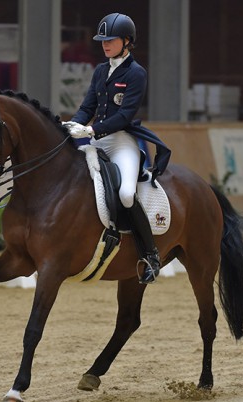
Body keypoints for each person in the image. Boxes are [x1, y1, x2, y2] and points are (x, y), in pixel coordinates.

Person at [63, 12, 171, 284]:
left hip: (121, 140)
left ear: (126, 41)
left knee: (125, 193)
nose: (105, 45)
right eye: (102, 40)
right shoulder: (100, 70)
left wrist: (90, 130)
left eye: (110, 40)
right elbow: (88, 106)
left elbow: (125, 115)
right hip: (96, 140)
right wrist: (73, 124)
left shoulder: (136, 73)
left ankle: (151, 255)